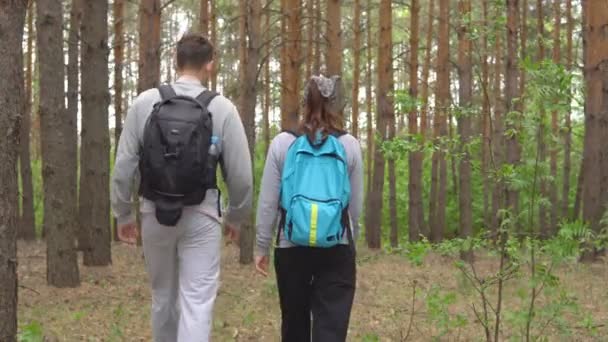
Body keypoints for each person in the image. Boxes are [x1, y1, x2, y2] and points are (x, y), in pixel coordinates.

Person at [111, 33, 252, 342]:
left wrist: (122, 214)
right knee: (197, 302)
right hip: (202, 215)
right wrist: (235, 217)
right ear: (210, 65)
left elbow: (124, 165)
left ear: (176, 62)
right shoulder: (223, 109)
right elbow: (241, 176)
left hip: (154, 212)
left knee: (162, 296)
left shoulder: (145, 102)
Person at [255, 75, 364, 341]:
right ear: (336, 105)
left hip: (291, 246)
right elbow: (355, 206)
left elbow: (268, 201)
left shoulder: (283, 143)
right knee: (332, 329)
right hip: (336, 246)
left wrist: (262, 245)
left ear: (304, 103)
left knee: (294, 325)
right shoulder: (349, 145)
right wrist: (351, 241)